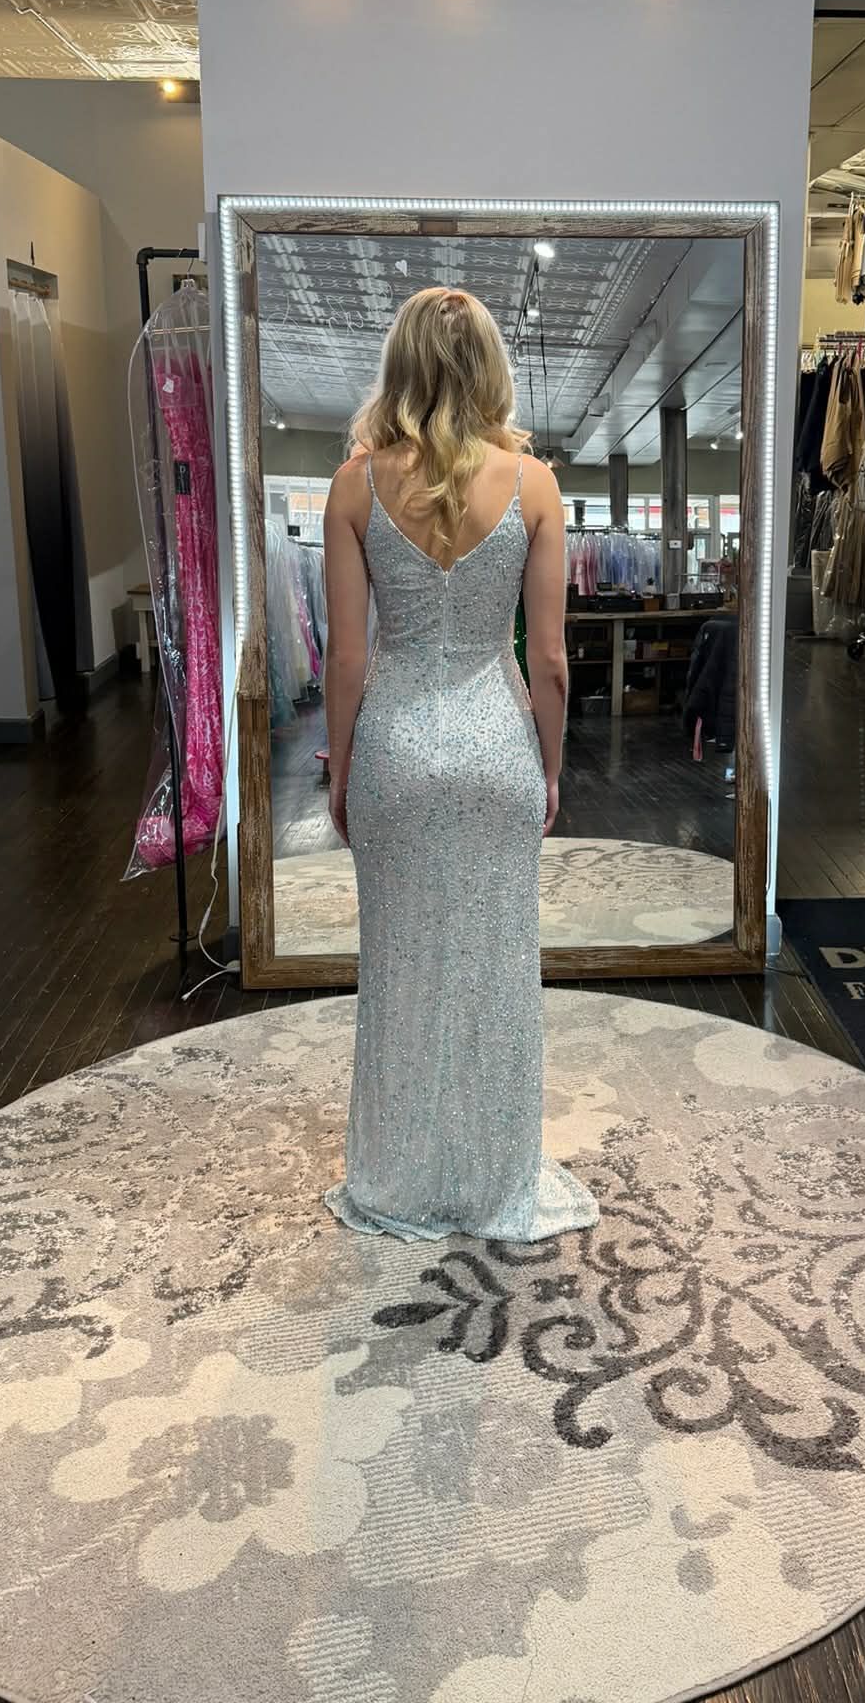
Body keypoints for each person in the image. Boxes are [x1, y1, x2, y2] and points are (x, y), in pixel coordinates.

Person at [319, 285, 601, 1244]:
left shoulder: (355, 486)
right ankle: (488, 1177)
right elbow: (552, 660)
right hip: (494, 740)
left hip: (397, 744)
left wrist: (342, 770)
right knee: (492, 967)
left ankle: (401, 1176)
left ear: (400, 364)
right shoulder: (533, 486)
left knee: (399, 965)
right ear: (491, 368)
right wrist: (551, 768)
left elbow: (348, 660)